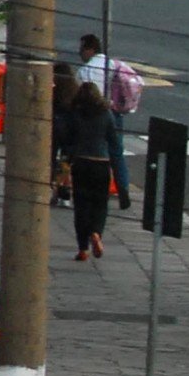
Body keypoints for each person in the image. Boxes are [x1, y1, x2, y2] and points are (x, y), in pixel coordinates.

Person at [57, 82, 114, 261]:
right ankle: (96, 232)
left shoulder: (75, 114)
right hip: (101, 163)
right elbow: (114, 141)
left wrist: (64, 165)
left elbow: (66, 139)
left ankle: (83, 249)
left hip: (81, 163)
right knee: (100, 204)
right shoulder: (106, 114)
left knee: (81, 206)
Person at [76, 35, 132, 211]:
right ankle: (123, 188)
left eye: (82, 49)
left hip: (95, 115)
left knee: (97, 153)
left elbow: (79, 95)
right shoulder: (114, 65)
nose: (80, 54)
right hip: (115, 113)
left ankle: (99, 189)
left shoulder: (85, 71)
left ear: (90, 49)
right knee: (117, 151)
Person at [50, 63, 78, 207]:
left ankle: (54, 189)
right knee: (66, 163)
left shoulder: (55, 92)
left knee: (52, 160)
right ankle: (64, 192)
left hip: (55, 130)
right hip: (71, 133)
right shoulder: (75, 92)